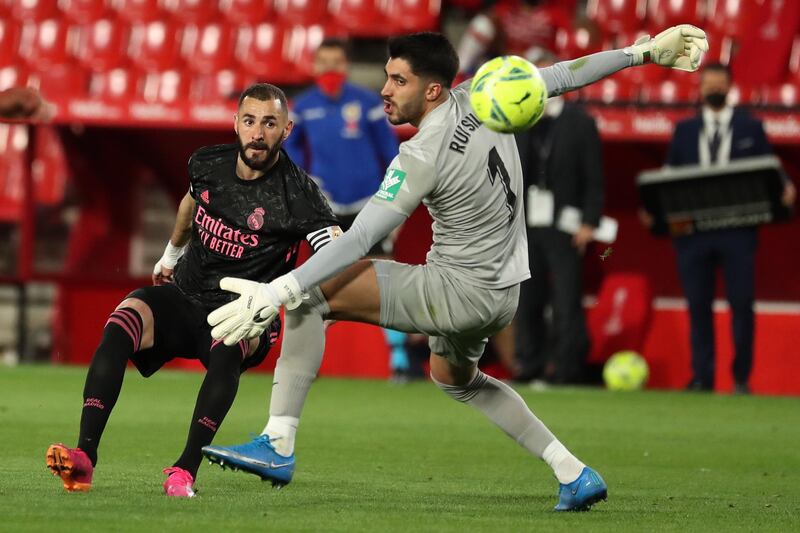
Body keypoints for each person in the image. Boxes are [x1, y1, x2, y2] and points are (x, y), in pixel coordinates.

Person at [202, 27, 708, 511]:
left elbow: (358, 238)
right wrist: (641, 53)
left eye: (399, 81)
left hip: (456, 290)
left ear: (433, 90)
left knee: (313, 296)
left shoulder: (421, 153)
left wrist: (279, 289)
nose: (385, 90)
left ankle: (278, 442)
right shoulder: (489, 95)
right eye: (386, 76)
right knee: (453, 376)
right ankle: (573, 472)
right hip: (504, 293)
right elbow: (567, 75)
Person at [45, 83, 341, 497]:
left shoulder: (300, 194)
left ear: (286, 129)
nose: (258, 133)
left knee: (227, 356)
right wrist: (170, 255)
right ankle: (84, 456)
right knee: (122, 321)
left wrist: (285, 295)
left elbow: (336, 252)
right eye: (250, 121)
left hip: (239, 314)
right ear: (235, 123)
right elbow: (190, 202)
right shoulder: (207, 163)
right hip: (185, 295)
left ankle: (184, 471)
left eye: (269, 123)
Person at [660, 63, 796, 394]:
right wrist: (656, 208)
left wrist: (786, 185)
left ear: (730, 87)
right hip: (693, 233)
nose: (714, 88)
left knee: (741, 304)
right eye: (709, 83)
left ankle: (740, 378)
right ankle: (702, 377)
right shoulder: (685, 131)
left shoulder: (752, 127)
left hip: (738, 230)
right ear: (701, 88)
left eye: (720, 83)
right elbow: (668, 179)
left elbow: (771, 170)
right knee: (698, 305)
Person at [514, 87, 604, 384]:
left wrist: (590, 221)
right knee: (527, 297)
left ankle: (567, 368)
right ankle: (529, 364)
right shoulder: (521, 121)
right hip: (527, 224)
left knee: (566, 298)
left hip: (566, 225)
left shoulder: (580, 122)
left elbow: (594, 176)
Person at [284, 37, 399, 247]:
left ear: (346, 65)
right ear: (315, 65)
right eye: (323, 62)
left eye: (336, 62)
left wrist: (393, 200)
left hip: (370, 204)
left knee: (377, 273)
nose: (330, 68)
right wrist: (304, 183)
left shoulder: (369, 102)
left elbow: (392, 153)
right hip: (325, 207)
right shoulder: (302, 106)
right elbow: (290, 147)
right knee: (326, 274)